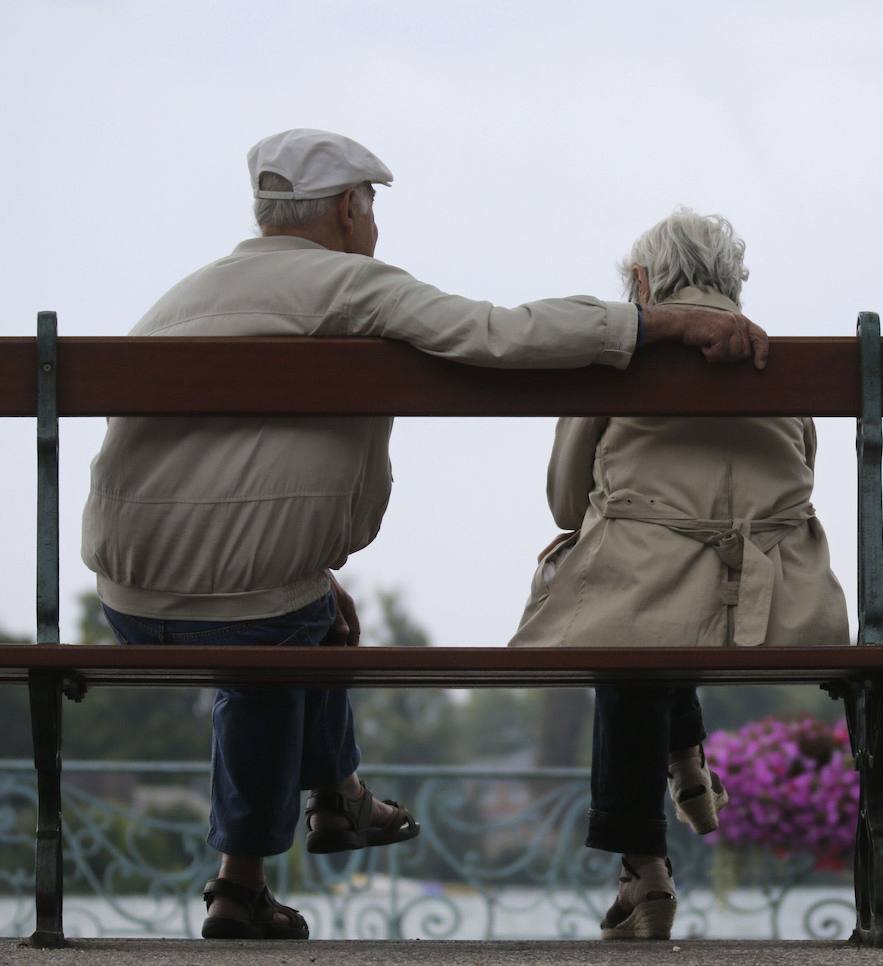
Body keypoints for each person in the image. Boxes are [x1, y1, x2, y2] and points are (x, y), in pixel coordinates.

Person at [82, 130, 769, 942]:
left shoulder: (184, 297)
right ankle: (313, 817)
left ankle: (275, 857)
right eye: (370, 208)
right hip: (250, 607)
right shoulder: (352, 285)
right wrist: (655, 326)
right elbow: (499, 334)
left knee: (300, 624)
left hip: (124, 598)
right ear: (348, 209)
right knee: (275, 638)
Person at [509, 208, 848, 941]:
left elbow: (567, 501)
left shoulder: (614, 360)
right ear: (732, 282)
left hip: (643, 606)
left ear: (640, 283)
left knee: (632, 614)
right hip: (777, 610)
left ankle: (645, 870)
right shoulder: (787, 365)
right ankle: (687, 757)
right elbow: (798, 489)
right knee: (664, 598)